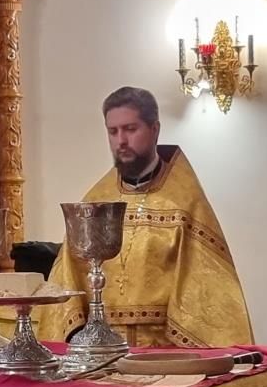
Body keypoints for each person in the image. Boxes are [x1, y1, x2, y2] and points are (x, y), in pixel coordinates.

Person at [39, 86, 253, 347]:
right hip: (102, 351)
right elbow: (66, 283)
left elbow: (208, 294)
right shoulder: (96, 202)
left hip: (166, 352)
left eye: (130, 129)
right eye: (113, 131)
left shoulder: (185, 203)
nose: (121, 141)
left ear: (154, 129)